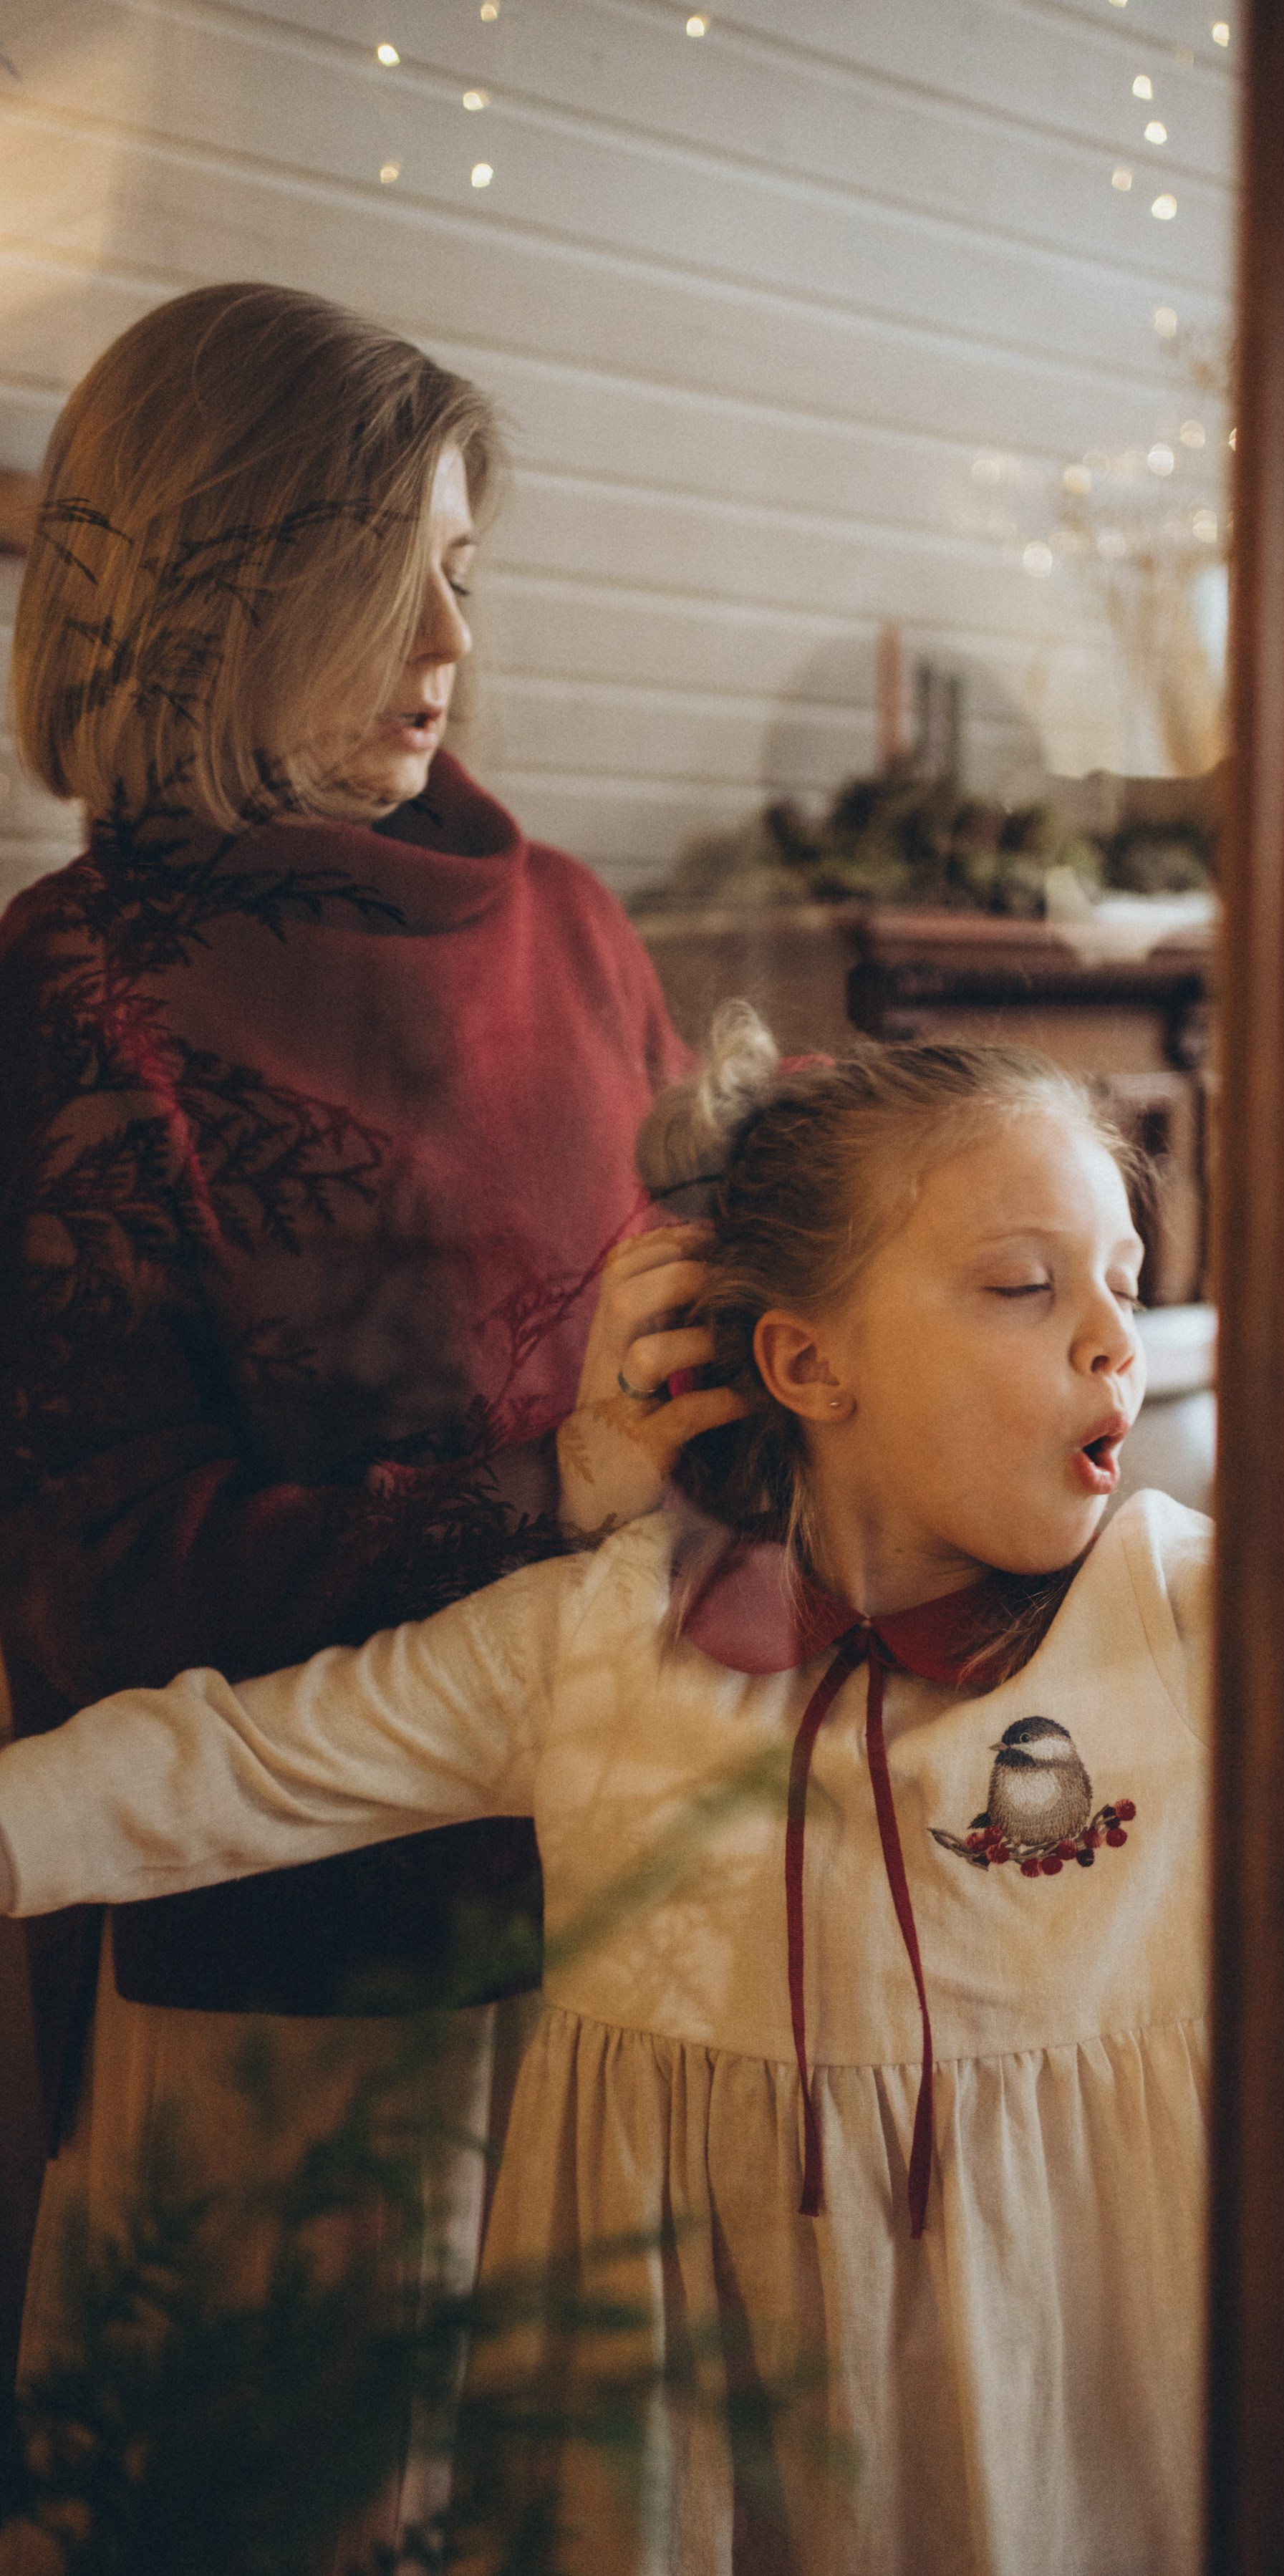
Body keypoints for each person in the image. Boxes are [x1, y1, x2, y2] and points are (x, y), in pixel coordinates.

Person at [3, 1008, 1284, 2575]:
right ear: (810, 1367)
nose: (1115, 1336)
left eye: (1123, 1279)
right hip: (699, 2401)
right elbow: (234, 1760)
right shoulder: (595, 1641)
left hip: (1105, 2361)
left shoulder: (1186, 1611)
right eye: (1023, 1284)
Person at [0, 282, 742, 2533]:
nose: (444, 630)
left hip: (638, 1922)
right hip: (284, 1984)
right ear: (208, 594)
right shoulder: (78, 993)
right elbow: (95, 1588)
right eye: (378, 566)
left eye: (464, 564)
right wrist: (554, 1483)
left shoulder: (579, 922)